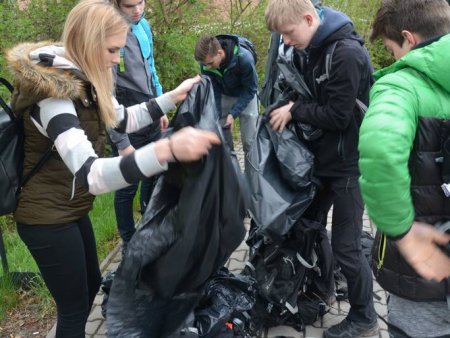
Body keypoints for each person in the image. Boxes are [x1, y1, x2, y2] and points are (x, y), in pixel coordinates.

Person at [6, 1, 219, 337]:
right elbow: (91, 175)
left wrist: (173, 97)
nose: (117, 59)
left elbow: (122, 118)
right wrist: (164, 151)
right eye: (112, 50)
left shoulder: (84, 78)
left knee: (90, 287)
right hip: (45, 218)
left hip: (69, 209)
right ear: (89, 43)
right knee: (74, 311)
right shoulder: (53, 98)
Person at [264, 0, 378, 337]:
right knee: (308, 225)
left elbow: (338, 116)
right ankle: (319, 286)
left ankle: (364, 317)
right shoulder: (312, 47)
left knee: (347, 247)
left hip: (348, 165)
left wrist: (295, 110)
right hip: (324, 162)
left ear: (309, 18)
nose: (285, 41)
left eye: (288, 33)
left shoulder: (345, 54)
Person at [359, 0, 450, 336]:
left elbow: (380, 150)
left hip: (422, 278)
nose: (393, 56)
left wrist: (402, 231)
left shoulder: (400, 86)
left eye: (389, 47)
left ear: (408, 39)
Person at [110, 0, 168, 253]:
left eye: (141, 2)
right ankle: (128, 240)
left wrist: (160, 105)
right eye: (129, 5)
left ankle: (149, 223)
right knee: (127, 184)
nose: (137, 10)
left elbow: (151, 67)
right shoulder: (107, 32)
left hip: (150, 111)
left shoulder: (143, 25)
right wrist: (121, 143)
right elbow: (105, 95)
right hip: (125, 118)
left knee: (155, 172)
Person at [194, 34, 258, 157]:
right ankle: (232, 172)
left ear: (220, 53)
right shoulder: (206, 64)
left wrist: (233, 113)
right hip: (224, 93)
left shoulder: (245, 59)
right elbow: (214, 90)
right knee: (222, 139)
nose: (208, 67)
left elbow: (250, 89)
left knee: (250, 143)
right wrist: (216, 116)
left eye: (210, 63)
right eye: (205, 64)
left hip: (246, 94)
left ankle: (252, 176)